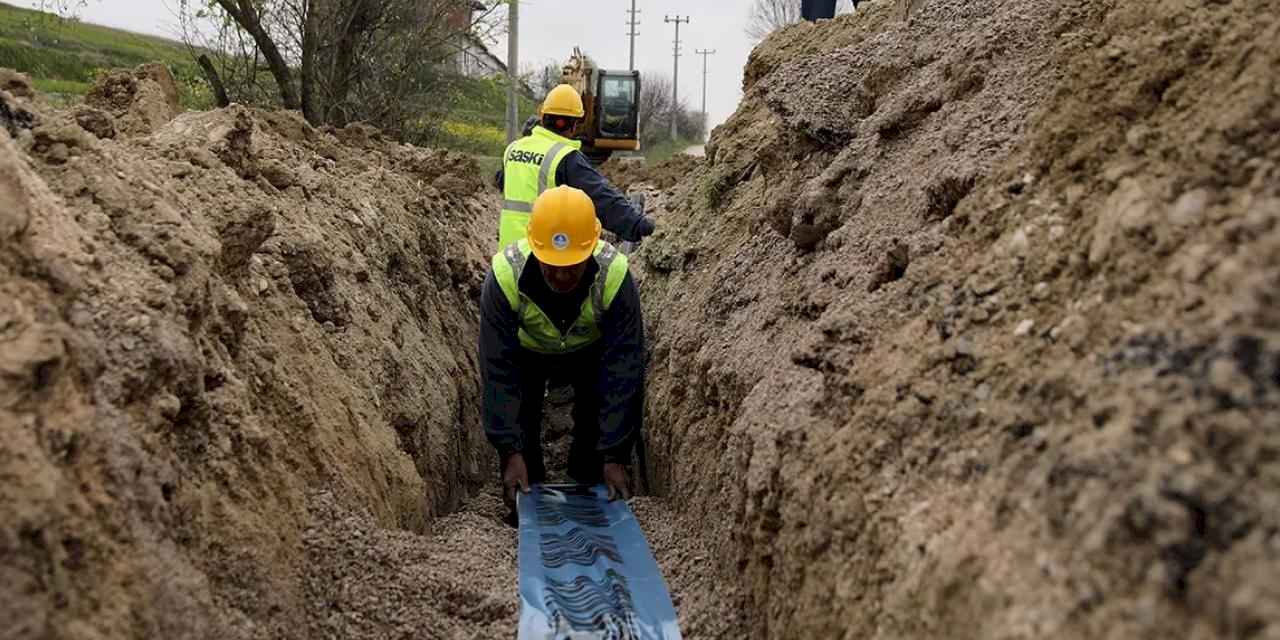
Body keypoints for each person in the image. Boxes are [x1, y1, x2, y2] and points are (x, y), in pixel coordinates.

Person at [479, 186, 645, 522]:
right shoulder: (504, 276)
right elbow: (498, 370)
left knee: (594, 442)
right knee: (523, 443)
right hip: (528, 355)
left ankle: (588, 475)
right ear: (535, 247)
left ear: (591, 249)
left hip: (591, 353)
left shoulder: (614, 275)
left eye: (573, 266)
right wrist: (510, 451)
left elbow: (624, 368)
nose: (561, 275)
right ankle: (529, 483)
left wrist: (615, 453)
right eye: (551, 265)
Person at [495, 84, 655, 252]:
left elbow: (503, 181)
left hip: (508, 255)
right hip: (544, 256)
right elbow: (602, 199)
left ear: (542, 118)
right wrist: (637, 224)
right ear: (574, 125)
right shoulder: (565, 157)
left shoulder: (512, 149)